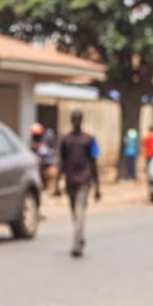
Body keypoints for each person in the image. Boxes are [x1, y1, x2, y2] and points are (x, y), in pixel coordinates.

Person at [53, 110, 100, 258]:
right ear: (71, 121)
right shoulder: (65, 140)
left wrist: (98, 186)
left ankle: (76, 246)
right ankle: (80, 237)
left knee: (80, 212)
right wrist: (56, 184)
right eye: (74, 119)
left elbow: (94, 162)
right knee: (75, 213)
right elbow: (61, 162)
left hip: (84, 181)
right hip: (70, 181)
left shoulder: (89, 140)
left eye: (79, 119)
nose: (76, 121)